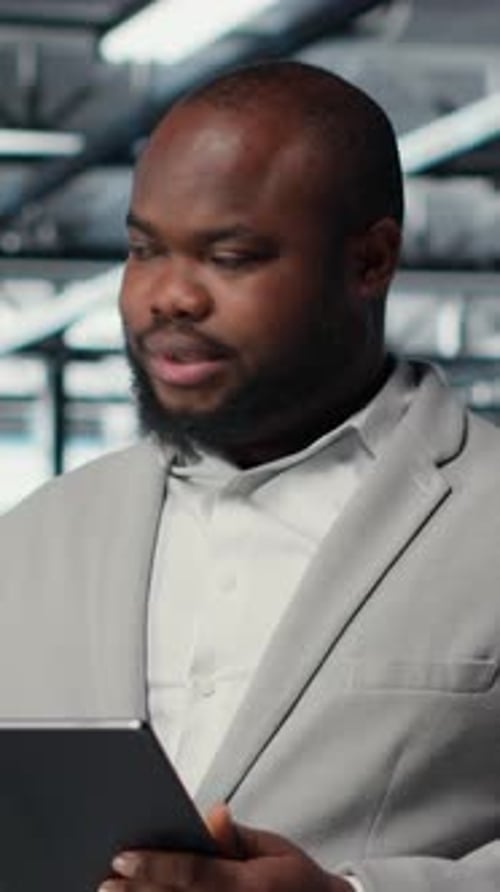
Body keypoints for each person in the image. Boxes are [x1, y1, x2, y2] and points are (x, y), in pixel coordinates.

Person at [0, 60, 499, 892]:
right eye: (142, 249)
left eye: (229, 256)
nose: (168, 296)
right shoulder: (38, 536)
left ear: (371, 261)